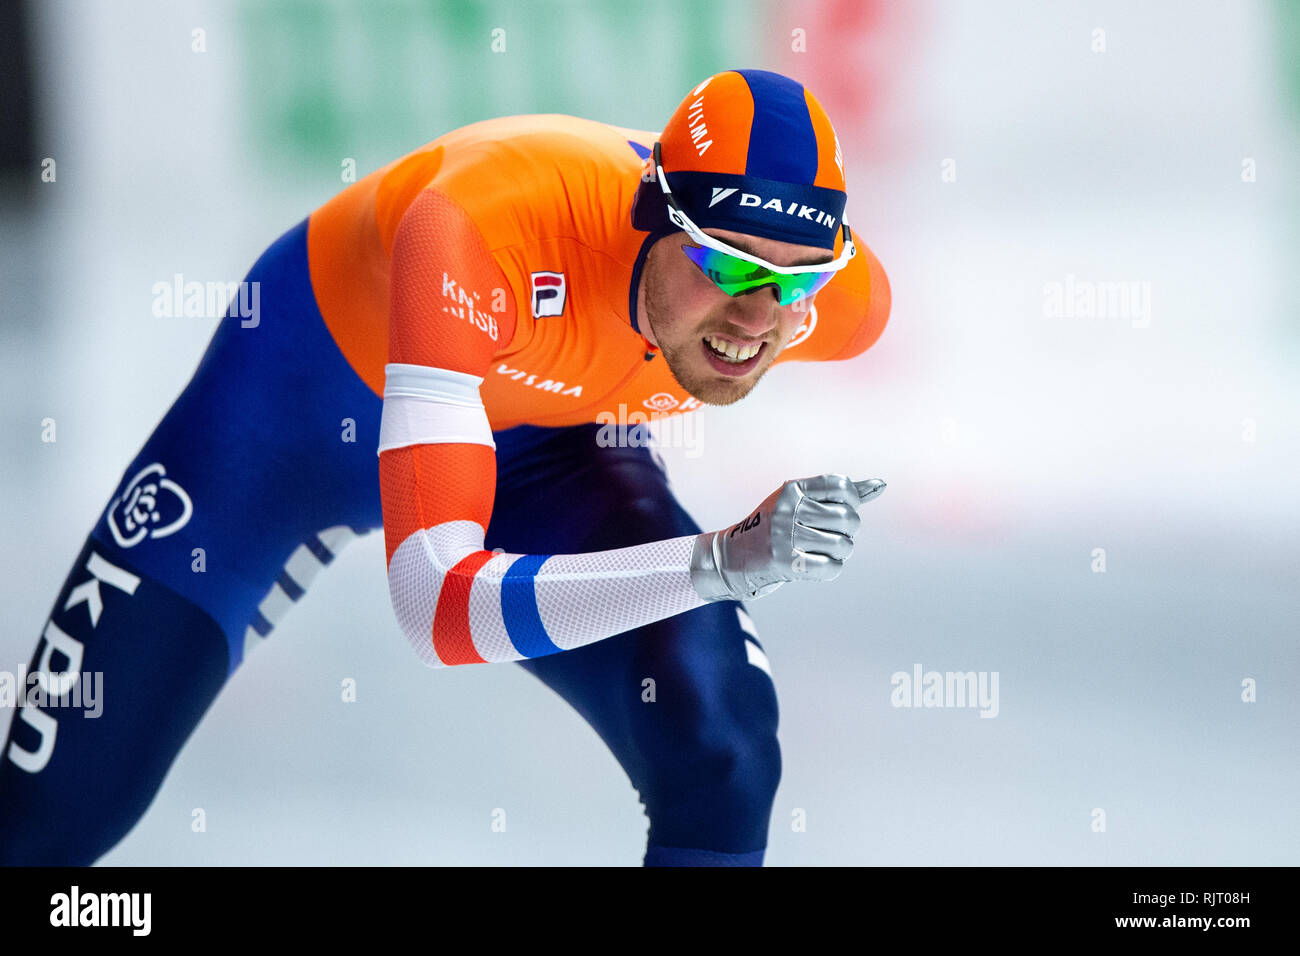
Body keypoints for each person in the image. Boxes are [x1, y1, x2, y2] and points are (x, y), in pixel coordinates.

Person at [0, 68, 890, 866]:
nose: (755, 318)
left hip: (549, 450)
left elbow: (789, 293)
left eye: (797, 281)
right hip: (294, 420)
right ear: (654, 220)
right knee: (48, 825)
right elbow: (436, 611)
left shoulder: (841, 310)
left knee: (722, 750)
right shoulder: (481, 225)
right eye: (724, 264)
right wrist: (718, 563)